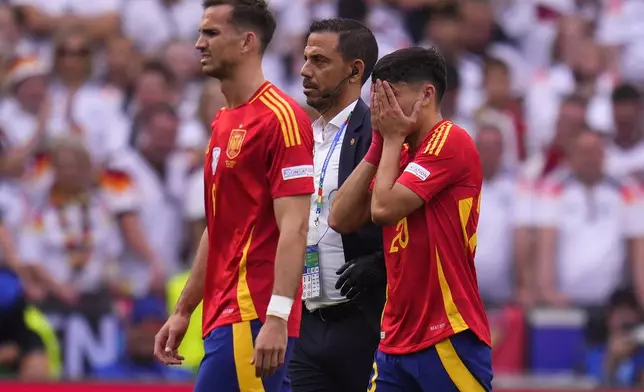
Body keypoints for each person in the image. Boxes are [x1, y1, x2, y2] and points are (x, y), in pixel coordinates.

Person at [153, 1, 314, 392]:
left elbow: (295, 227)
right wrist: (183, 309)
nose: (198, 44)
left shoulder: (282, 118)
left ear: (247, 42)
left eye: (211, 33)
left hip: (254, 315)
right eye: (200, 33)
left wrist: (276, 316)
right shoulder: (225, 119)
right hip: (224, 313)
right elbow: (220, 225)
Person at [329, 47, 493, 391]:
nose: (380, 110)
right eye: (376, 100)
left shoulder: (450, 140)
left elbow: (384, 209)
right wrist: (379, 143)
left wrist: (389, 139)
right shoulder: (398, 151)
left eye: (391, 97)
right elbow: (340, 218)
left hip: (446, 332)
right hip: (395, 337)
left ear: (427, 94)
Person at [288, 18, 385, 392]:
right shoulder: (298, 138)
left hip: (365, 322)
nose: (304, 70)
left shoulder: (379, 134)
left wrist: (379, 265)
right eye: (305, 58)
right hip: (307, 324)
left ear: (355, 70)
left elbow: (410, 221)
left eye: (319, 61)